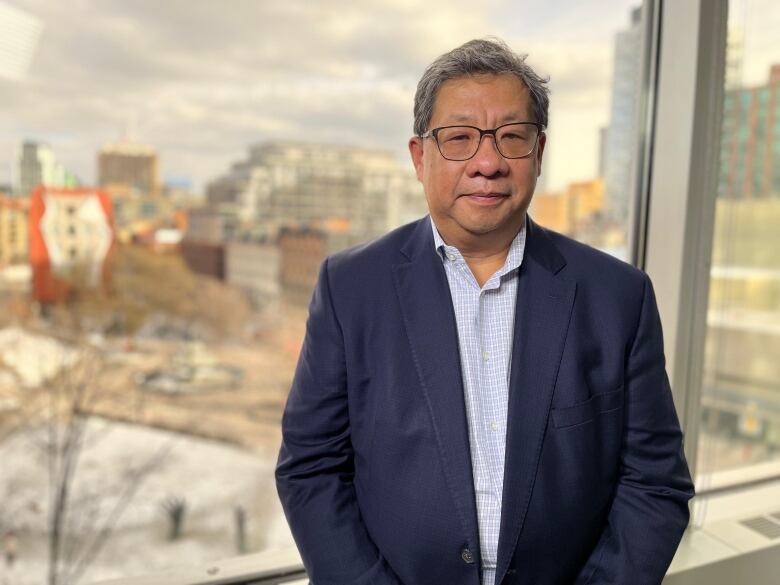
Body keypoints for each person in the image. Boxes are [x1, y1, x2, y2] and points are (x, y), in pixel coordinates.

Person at [276, 38, 694, 585]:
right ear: (419, 157)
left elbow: (654, 483)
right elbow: (311, 470)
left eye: (512, 138)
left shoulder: (618, 296)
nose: (488, 163)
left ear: (539, 154)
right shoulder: (350, 288)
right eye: (459, 139)